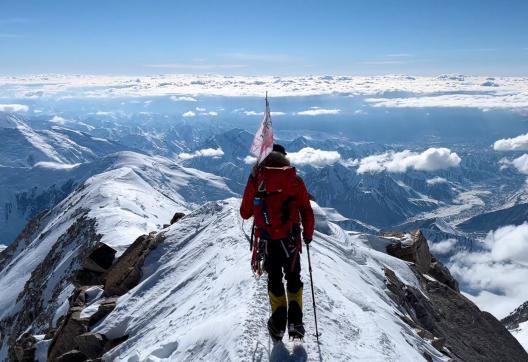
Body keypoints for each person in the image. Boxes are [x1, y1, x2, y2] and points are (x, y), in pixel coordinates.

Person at [240, 144, 315, 341]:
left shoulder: (257, 179)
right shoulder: (294, 179)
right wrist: (308, 234)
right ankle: (296, 322)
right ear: (284, 158)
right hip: (291, 240)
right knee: (293, 278)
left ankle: (278, 323)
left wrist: (253, 183)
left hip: (267, 241)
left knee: (274, 279)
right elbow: (306, 210)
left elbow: (245, 213)